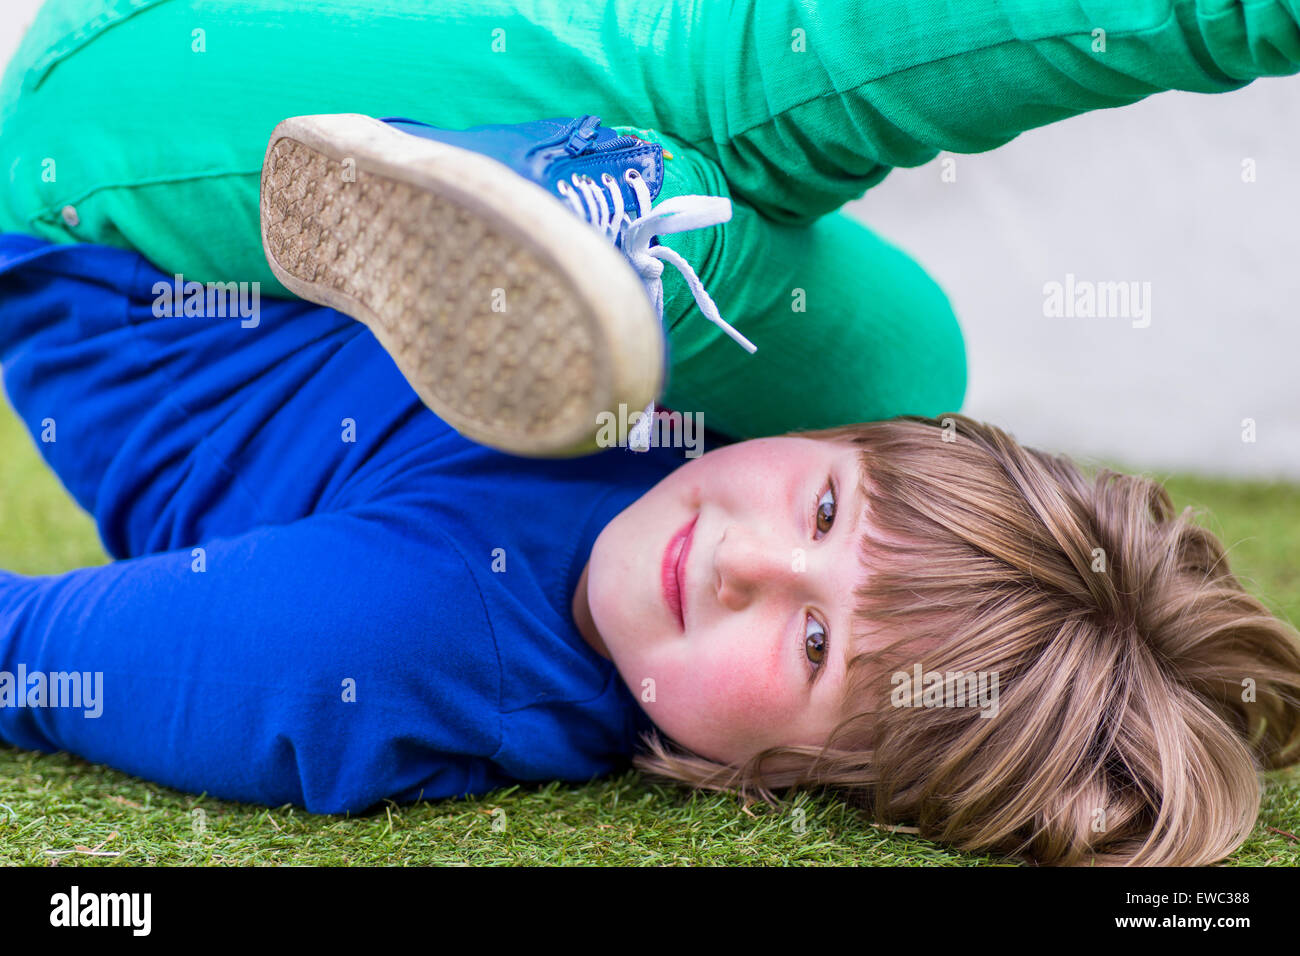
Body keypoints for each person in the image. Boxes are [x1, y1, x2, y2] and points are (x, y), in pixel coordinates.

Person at [2, 0, 1300, 865]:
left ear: (793, 781)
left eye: (809, 642)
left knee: (718, 104)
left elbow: (25, 656)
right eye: (826, 516)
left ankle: (635, 211)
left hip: (103, 191)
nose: (746, 561)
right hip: (359, 67)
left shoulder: (372, 645)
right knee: (910, 359)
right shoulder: (807, 416)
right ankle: (639, 218)